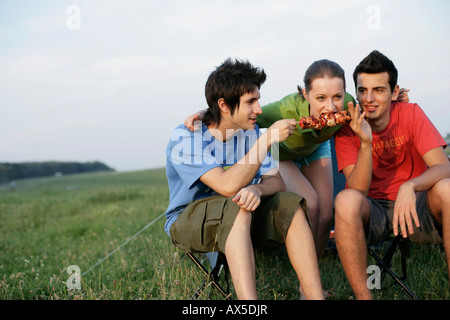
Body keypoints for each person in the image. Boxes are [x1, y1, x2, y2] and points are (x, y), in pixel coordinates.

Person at [184, 59, 410, 265]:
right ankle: (301, 263)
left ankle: (313, 271)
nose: (331, 107)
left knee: (325, 213)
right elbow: (240, 113)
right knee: (310, 203)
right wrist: (206, 112)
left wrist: (393, 98)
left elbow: (373, 103)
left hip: (316, 148)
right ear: (305, 94)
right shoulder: (284, 109)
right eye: (320, 98)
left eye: (337, 97)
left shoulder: (350, 104)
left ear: (344, 93)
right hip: (283, 153)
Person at [164, 58, 324, 300]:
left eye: (258, 100)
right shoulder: (186, 137)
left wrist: (258, 190)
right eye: (251, 102)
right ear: (224, 105)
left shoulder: (251, 133)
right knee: (237, 206)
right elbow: (226, 186)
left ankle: (314, 297)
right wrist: (266, 140)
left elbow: (277, 182)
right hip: (187, 220)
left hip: (239, 212)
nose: (258, 109)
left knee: (290, 203)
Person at [334, 50, 450, 300]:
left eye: (379, 90)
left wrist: (410, 186)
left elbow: (444, 167)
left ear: (394, 92)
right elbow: (357, 192)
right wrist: (365, 143)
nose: (369, 98)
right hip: (373, 211)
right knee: (345, 200)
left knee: (447, 189)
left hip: (417, 207)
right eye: (363, 90)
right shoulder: (347, 129)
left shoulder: (410, 113)